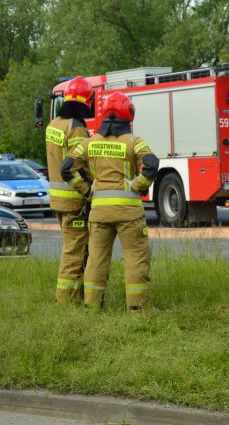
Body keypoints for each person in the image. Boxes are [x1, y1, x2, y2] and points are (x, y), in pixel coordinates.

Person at [60, 92, 159, 310]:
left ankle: (92, 306)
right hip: (129, 213)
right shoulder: (134, 141)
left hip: (99, 213)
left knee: (96, 260)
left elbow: (66, 168)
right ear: (128, 116)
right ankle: (137, 307)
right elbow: (152, 164)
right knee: (135, 258)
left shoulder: (89, 142)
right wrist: (137, 186)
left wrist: (87, 190)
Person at [45, 76, 93, 303]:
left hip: (58, 200)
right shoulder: (76, 128)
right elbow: (80, 166)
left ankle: (77, 296)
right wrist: (90, 190)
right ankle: (64, 301)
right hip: (74, 200)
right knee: (74, 253)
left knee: (73, 248)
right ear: (86, 101)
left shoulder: (53, 125)